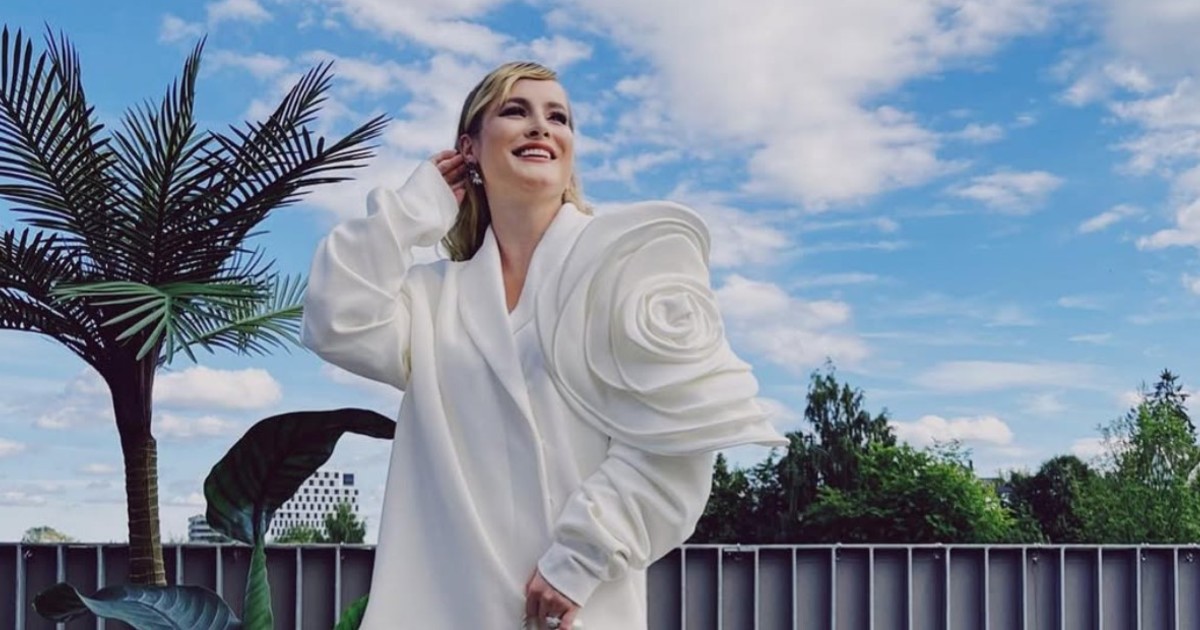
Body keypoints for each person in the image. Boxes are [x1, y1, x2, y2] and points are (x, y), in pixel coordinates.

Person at [301, 61, 788, 630]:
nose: (541, 127)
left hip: (579, 606)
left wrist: (578, 559)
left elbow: (675, 442)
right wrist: (412, 212)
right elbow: (336, 319)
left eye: (558, 118)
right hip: (447, 606)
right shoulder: (432, 297)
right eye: (515, 110)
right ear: (468, 149)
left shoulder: (624, 270)